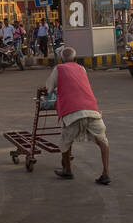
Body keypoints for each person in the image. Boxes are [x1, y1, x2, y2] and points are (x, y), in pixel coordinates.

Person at [44, 45, 110, 185]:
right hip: (92, 109)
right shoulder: (82, 68)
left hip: (72, 112)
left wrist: (49, 90)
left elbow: (49, 88)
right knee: (103, 142)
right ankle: (105, 173)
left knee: (65, 142)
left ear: (62, 59)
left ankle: (67, 170)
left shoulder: (59, 69)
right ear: (75, 58)